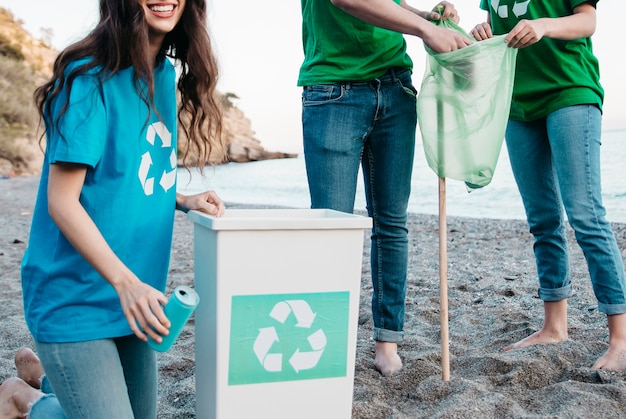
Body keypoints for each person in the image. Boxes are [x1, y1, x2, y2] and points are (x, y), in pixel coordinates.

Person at [15, 0, 226, 416]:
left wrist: (182, 200)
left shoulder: (164, 76)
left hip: (136, 297)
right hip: (75, 298)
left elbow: (127, 175)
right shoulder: (89, 77)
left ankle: (42, 376)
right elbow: (62, 202)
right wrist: (125, 284)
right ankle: (23, 399)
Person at [298, 0, 471, 376]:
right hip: (333, 91)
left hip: (395, 89)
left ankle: (387, 342)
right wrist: (426, 30)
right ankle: (325, 341)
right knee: (332, 229)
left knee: (391, 223)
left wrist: (424, 15)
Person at [471, 1, 626, 370]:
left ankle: (620, 338)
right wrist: (486, 31)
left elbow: (587, 22)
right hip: (518, 104)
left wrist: (542, 26)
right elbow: (502, 24)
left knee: (586, 216)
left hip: (569, 91)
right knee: (542, 220)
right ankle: (555, 326)